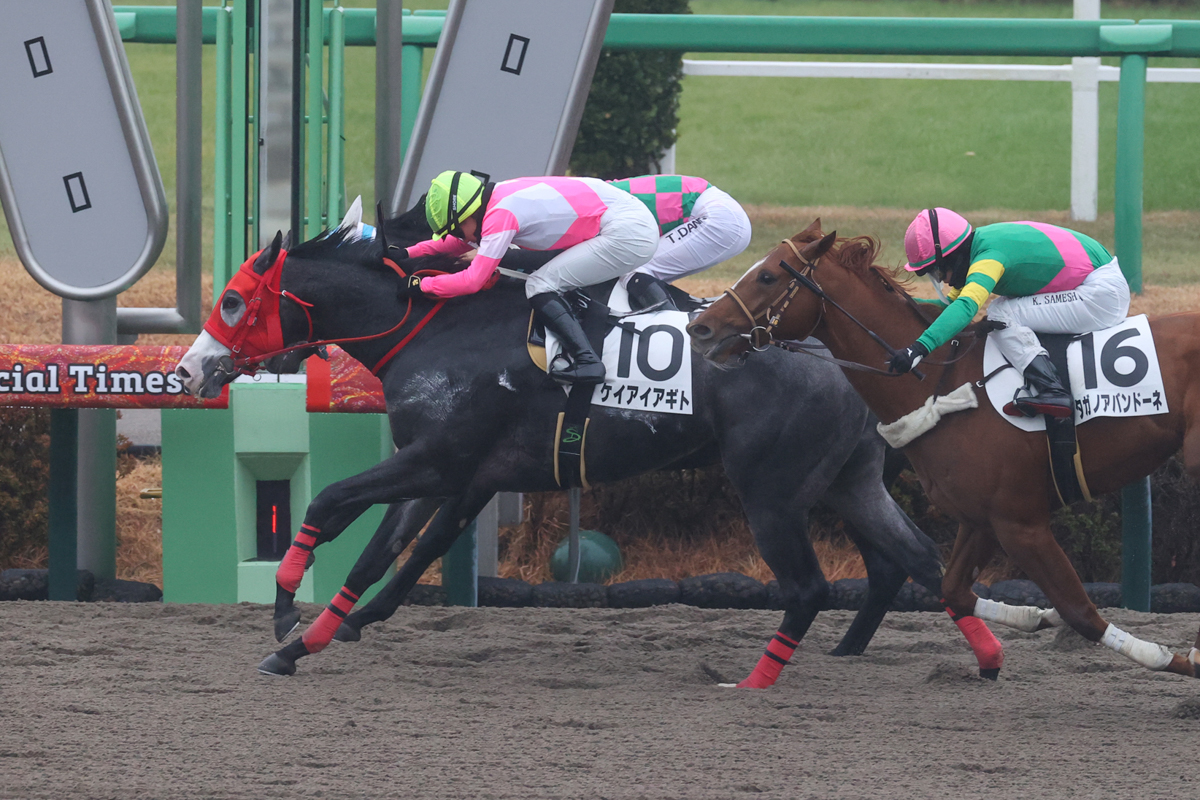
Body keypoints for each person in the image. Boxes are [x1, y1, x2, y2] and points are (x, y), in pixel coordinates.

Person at [398, 170, 660, 384]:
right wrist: (407, 252)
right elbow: (459, 243)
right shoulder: (496, 196)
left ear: (469, 215)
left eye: (456, 229)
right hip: (626, 219)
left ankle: (588, 362)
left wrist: (423, 286)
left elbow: (472, 280)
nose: (460, 237)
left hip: (628, 232)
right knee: (549, 279)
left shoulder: (500, 216)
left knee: (540, 284)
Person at [888, 208, 1131, 418]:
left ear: (953, 258)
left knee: (1000, 313)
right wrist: (897, 301)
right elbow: (949, 306)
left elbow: (966, 308)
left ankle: (1052, 391)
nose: (944, 281)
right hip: (1098, 283)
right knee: (1004, 308)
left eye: (939, 272)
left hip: (1101, 295)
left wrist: (918, 349)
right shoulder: (980, 244)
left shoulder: (989, 258)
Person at [607, 175, 752, 311]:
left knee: (634, 269)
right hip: (722, 212)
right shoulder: (600, 193)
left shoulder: (598, 203)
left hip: (718, 215)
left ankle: (672, 323)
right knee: (646, 278)